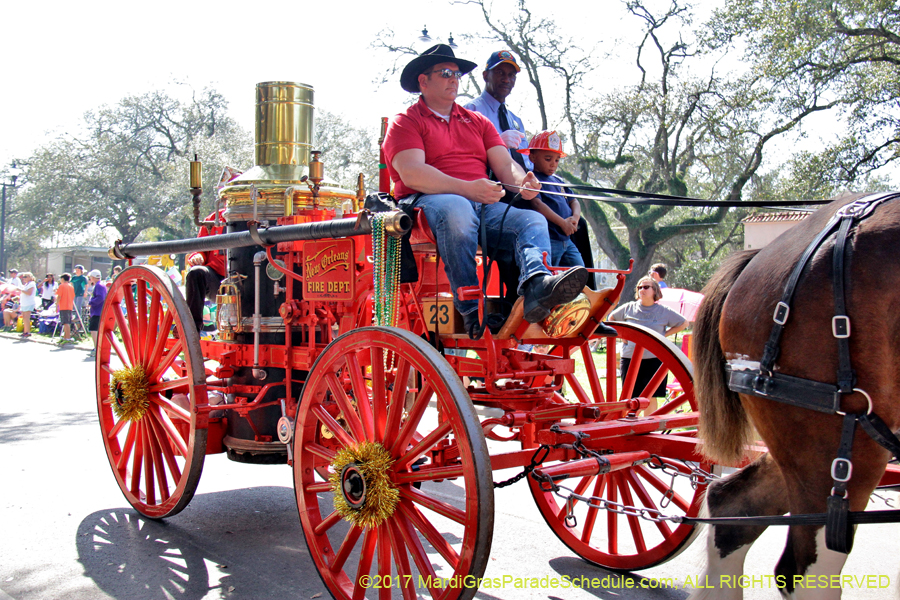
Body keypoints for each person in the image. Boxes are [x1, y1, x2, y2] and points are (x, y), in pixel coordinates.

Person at [382, 44, 588, 337]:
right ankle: (468, 306)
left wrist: (524, 181)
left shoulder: (477, 121)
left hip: (479, 204)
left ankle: (536, 287)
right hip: (425, 207)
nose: (454, 79)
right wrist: (468, 189)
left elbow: (505, 165)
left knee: (531, 220)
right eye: (445, 73)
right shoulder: (406, 121)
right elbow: (413, 173)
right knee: (457, 207)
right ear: (423, 81)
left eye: (457, 74)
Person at [609, 276, 687, 409]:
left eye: (646, 287)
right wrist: (623, 336)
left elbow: (683, 323)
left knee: (650, 396)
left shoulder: (663, 311)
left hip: (653, 358)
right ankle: (632, 426)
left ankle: (647, 426)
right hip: (630, 357)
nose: (642, 290)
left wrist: (664, 335)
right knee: (630, 396)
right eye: (639, 287)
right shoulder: (628, 308)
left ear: (655, 291)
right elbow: (611, 318)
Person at [518, 131, 584, 268]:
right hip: (549, 239)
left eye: (557, 160)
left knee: (579, 271)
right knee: (549, 273)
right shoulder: (532, 179)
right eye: (548, 159)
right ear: (533, 157)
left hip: (567, 239)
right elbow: (537, 204)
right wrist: (562, 223)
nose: (553, 164)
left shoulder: (558, 181)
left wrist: (575, 218)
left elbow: (574, 201)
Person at [464, 50, 532, 174]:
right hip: (485, 186)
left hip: (522, 186)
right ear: (485, 76)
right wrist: (497, 145)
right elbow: (463, 157)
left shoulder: (516, 121)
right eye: (500, 73)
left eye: (511, 75)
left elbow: (527, 162)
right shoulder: (471, 110)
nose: (506, 80)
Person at [185, 209, 226, 333]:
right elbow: (199, 248)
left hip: (251, 278)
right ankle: (192, 330)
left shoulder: (260, 215)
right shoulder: (213, 219)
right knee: (196, 273)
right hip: (217, 279)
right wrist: (198, 256)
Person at [87, 269, 107, 357]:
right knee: (96, 330)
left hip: (98, 311)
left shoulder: (99, 286)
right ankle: (97, 347)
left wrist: (91, 302)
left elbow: (101, 298)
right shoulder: (101, 285)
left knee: (94, 330)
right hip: (98, 310)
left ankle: (96, 348)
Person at [15, 271, 37, 338]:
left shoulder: (32, 284)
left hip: (29, 303)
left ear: (30, 277)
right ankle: (25, 331)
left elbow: (29, 293)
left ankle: (27, 332)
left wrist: (20, 289)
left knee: (26, 318)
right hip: (24, 303)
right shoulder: (26, 284)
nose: (24, 278)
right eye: (23, 277)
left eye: (25, 277)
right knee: (24, 318)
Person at [56, 273, 75, 345]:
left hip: (63, 305)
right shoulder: (71, 286)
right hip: (69, 305)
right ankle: (65, 336)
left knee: (65, 322)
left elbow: (59, 296)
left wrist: (56, 304)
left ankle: (68, 337)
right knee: (66, 322)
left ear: (63, 279)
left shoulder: (62, 286)